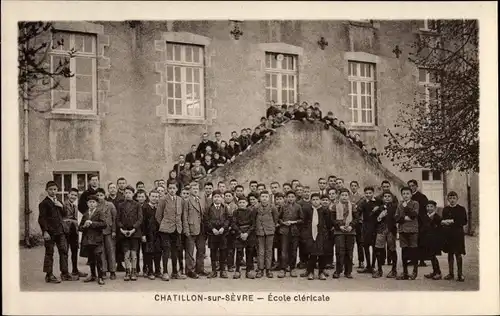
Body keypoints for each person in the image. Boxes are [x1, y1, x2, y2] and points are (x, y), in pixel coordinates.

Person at [38, 181, 71, 283]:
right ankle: (49, 275)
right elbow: (41, 219)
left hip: (60, 232)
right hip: (50, 232)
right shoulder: (43, 203)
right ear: (47, 190)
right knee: (49, 253)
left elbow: (65, 214)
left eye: (55, 189)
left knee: (64, 251)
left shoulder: (59, 201)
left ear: (57, 190)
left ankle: (64, 273)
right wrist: (45, 232)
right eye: (51, 189)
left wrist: (61, 206)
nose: (53, 191)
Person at [156, 182, 185, 281]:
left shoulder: (180, 200)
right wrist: (164, 225)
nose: (172, 190)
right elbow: (158, 216)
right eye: (170, 188)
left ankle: (175, 272)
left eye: (174, 188)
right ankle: (165, 272)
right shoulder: (163, 200)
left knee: (175, 251)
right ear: (167, 189)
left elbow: (181, 215)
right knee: (166, 250)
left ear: (177, 189)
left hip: (177, 229)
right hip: (165, 229)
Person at [300, 194, 333, 280]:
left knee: (322, 254)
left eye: (317, 199)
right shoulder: (307, 210)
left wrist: (326, 234)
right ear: (311, 201)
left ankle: (321, 272)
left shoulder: (325, 211)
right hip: (311, 234)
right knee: (312, 254)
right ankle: (310, 272)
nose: (315, 201)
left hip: (322, 235)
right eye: (313, 199)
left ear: (320, 201)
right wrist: (305, 235)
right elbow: (304, 223)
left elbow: (329, 224)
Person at [79, 195, 108, 285]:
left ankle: (100, 277)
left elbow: (104, 224)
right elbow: (80, 227)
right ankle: (93, 275)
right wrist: (84, 226)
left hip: (97, 239)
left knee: (98, 258)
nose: (91, 204)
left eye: (93, 202)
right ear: (87, 204)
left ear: (97, 203)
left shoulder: (100, 212)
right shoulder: (85, 214)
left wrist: (92, 223)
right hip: (88, 240)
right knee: (90, 258)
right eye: (90, 202)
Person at [331, 188, 359, 279]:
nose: (344, 197)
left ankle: (348, 271)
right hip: (339, 231)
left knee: (349, 251)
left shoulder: (353, 206)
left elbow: (356, 219)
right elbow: (332, 219)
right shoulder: (335, 206)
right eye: (342, 195)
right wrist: (339, 226)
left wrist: (351, 226)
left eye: (346, 195)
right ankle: (338, 270)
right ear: (339, 196)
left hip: (350, 232)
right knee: (339, 251)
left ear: (349, 196)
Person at [116, 185, 143, 281]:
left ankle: (134, 271)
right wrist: (121, 229)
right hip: (124, 232)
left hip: (134, 233)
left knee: (134, 254)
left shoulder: (137, 205)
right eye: (126, 193)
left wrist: (133, 229)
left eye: (129, 193)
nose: (127, 194)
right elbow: (118, 219)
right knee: (126, 253)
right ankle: (127, 271)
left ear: (133, 194)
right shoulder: (120, 205)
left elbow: (140, 219)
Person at [183, 182, 209, 278]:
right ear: (190, 190)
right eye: (193, 188)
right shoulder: (186, 201)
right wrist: (186, 230)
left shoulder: (201, 200)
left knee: (201, 250)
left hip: (201, 229)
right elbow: (184, 217)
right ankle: (189, 270)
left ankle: (200, 269)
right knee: (190, 251)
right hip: (191, 228)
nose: (195, 190)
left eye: (197, 188)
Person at [441, 191, 468, 282]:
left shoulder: (461, 209)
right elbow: (443, 220)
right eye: (450, 198)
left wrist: (452, 221)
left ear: (457, 199)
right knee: (450, 253)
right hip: (448, 235)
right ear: (448, 199)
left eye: (454, 198)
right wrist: (444, 222)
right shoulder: (445, 209)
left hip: (458, 234)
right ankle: (451, 273)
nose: (452, 200)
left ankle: (460, 274)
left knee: (458, 254)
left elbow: (464, 221)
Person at [395, 186, 420, 280]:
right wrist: (405, 218)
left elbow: (414, 215)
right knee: (404, 251)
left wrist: (406, 208)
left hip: (413, 230)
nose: (405, 195)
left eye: (407, 193)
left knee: (413, 251)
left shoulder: (415, 203)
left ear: (411, 194)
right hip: (402, 230)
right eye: (403, 194)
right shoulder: (400, 204)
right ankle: (405, 272)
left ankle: (414, 271)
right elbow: (396, 217)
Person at [62, 188, 87, 279]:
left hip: (74, 232)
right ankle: (65, 273)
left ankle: (75, 271)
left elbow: (74, 220)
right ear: (68, 194)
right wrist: (73, 222)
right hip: (65, 232)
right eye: (72, 194)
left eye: (75, 195)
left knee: (74, 252)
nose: (73, 197)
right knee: (65, 252)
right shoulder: (63, 205)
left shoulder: (75, 206)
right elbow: (63, 219)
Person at [278, 191, 303, 278]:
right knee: (284, 251)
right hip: (284, 231)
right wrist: (284, 223)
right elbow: (279, 218)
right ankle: (283, 269)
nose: (291, 198)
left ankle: (292, 268)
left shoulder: (298, 207)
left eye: (292, 197)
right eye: (289, 197)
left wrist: (294, 222)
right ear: (286, 198)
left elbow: (302, 219)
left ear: (295, 198)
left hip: (294, 231)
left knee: (293, 251)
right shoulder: (283, 206)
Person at [373, 191, 398, 278]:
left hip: (391, 231)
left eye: (389, 196)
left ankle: (394, 270)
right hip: (381, 230)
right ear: (382, 198)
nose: (387, 198)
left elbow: (397, 218)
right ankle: (379, 270)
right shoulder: (379, 208)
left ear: (392, 198)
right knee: (378, 250)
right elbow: (373, 219)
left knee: (392, 250)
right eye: (385, 196)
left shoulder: (395, 207)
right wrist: (380, 216)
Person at [205, 190, 230, 278]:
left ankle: (223, 270)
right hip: (213, 234)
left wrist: (223, 228)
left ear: (221, 198)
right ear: (212, 198)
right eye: (215, 197)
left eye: (218, 197)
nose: (217, 198)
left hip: (222, 234)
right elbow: (206, 220)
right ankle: (214, 271)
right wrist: (212, 229)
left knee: (223, 252)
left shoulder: (225, 207)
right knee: (213, 252)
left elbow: (228, 219)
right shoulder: (209, 208)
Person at [357, 186, 381, 274]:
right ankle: (368, 266)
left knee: (375, 247)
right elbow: (357, 211)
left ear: (373, 193)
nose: (368, 195)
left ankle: (373, 266)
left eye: (370, 193)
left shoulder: (378, 201)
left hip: (375, 226)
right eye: (366, 193)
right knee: (366, 246)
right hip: (366, 227)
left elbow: (383, 208)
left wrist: (378, 209)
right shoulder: (363, 203)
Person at [232, 196, 257, 279]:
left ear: (247, 203)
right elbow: (234, 224)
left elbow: (253, 224)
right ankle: (237, 270)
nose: (242, 204)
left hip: (249, 235)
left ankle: (249, 271)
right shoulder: (235, 212)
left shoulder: (251, 212)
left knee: (249, 252)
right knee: (239, 252)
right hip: (239, 234)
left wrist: (247, 233)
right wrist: (240, 233)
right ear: (238, 204)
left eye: (243, 202)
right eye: (240, 202)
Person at [255, 191, 278, 278]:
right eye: (262, 196)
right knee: (260, 251)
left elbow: (275, 219)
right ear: (260, 198)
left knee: (269, 250)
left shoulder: (273, 207)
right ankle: (260, 269)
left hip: (269, 232)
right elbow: (254, 218)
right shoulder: (257, 207)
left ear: (269, 198)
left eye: (266, 197)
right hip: (260, 231)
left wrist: (271, 227)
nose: (264, 198)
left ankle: (268, 269)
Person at [407, 179, 430, 267]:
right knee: (412, 241)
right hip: (411, 221)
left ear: (416, 186)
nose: (411, 187)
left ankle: (422, 260)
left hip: (420, 221)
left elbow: (426, 209)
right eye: (410, 186)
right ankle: (413, 259)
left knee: (421, 241)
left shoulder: (422, 197)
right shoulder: (408, 196)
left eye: (413, 186)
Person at [96, 188, 117, 280]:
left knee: (111, 251)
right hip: (98, 232)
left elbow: (114, 218)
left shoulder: (110, 205)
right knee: (101, 252)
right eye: (98, 195)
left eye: (101, 195)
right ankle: (103, 270)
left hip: (108, 231)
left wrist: (114, 230)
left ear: (105, 196)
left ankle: (112, 271)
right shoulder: (95, 205)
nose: (99, 197)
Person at [142, 190, 161, 280]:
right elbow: (143, 223)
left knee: (158, 252)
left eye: (157, 196)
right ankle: (150, 271)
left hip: (158, 234)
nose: (155, 198)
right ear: (149, 197)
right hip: (148, 234)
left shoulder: (159, 208)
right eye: (153, 196)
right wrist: (143, 235)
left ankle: (158, 271)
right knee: (149, 253)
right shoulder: (145, 208)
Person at [421, 200, 443, 280]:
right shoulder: (425, 217)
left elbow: (440, 229)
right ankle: (434, 271)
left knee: (433, 256)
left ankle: (438, 272)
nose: (429, 208)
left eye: (431, 206)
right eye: (428, 206)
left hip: (434, 240)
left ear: (435, 208)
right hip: (427, 239)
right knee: (430, 256)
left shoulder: (437, 217)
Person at [106, 182, 125, 272]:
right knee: (111, 246)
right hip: (110, 225)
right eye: (110, 188)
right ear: (108, 190)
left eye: (114, 187)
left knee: (120, 245)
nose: (112, 189)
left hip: (119, 224)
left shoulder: (121, 199)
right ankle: (110, 265)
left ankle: (120, 264)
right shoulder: (106, 200)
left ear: (116, 189)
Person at [349, 181, 364, 269]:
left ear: (358, 187)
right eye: (352, 186)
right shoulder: (347, 196)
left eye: (355, 186)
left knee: (360, 242)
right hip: (350, 221)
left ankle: (361, 261)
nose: (354, 187)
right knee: (350, 242)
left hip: (358, 222)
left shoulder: (361, 197)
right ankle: (349, 261)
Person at [224, 191, 238, 272]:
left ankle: (230, 265)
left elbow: (236, 218)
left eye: (229, 196)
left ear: (232, 197)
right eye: (226, 196)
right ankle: (222, 264)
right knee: (223, 248)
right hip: (224, 229)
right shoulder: (222, 205)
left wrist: (231, 227)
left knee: (231, 248)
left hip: (232, 230)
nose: (228, 197)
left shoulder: (235, 206)